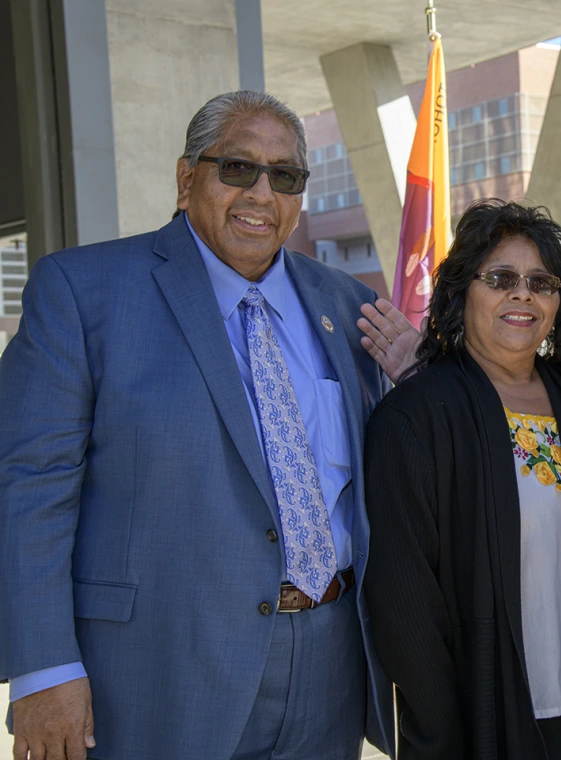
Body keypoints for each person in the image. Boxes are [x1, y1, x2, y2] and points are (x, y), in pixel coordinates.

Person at [0, 90, 394, 760]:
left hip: (328, 668)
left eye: (286, 176)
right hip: (158, 673)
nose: (261, 194)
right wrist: (45, 668)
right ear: (187, 180)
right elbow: (29, 488)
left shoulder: (350, 306)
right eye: (237, 169)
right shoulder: (82, 291)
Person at [363, 200, 561, 760]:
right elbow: (405, 604)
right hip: (483, 725)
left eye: (542, 282)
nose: (523, 294)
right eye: (500, 278)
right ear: (462, 290)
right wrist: (444, 736)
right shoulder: (415, 417)